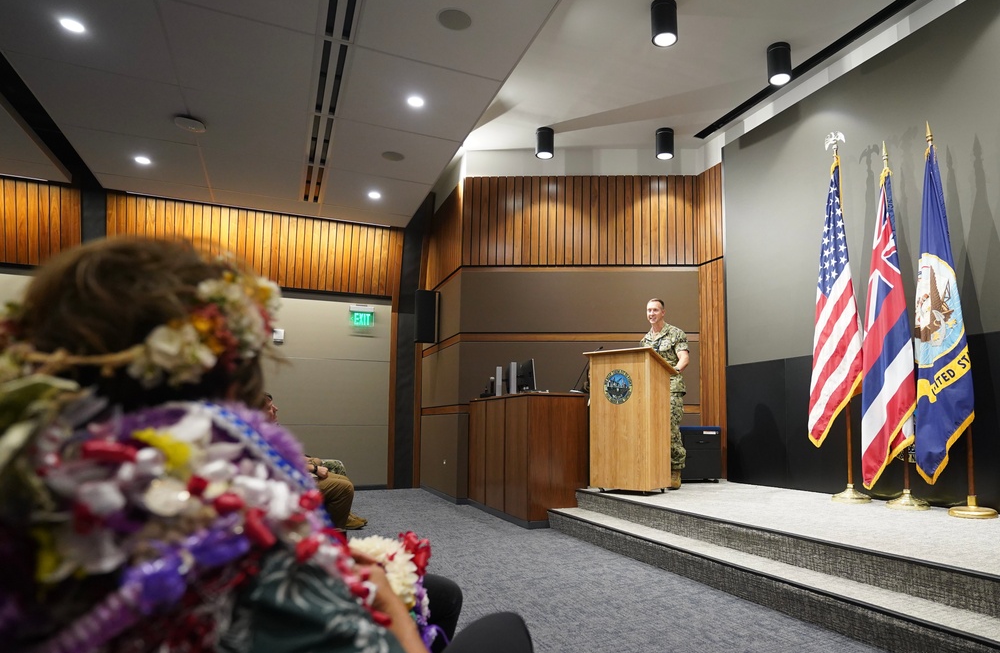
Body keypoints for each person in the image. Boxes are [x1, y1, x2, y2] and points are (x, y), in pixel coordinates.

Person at [0, 236, 532, 653]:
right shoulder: (229, 506)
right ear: (228, 364)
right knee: (505, 629)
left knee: (439, 592)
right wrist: (390, 604)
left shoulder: (36, 467)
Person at [264, 392, 367, 530]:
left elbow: (287, 453)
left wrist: (309, 461)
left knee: (341, 478)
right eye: (270, 407)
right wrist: (314, 468)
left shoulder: (270, 428)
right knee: (345, 488)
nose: (276, 409)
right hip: (282, 483)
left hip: (287, 475)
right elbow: (278, 461)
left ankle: (342, 515)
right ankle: (332, 532)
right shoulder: (260, 433)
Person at [639, 298, 690, 489]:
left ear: (663, 312)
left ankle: (675, 469)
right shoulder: (644, 340)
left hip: (671, 385)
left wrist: (675, 369)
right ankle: (655, 469)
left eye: (654, 310)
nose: (651, 313)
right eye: (648, 310)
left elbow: (684, 358)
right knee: (649, 427)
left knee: (669, 426)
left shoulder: (675, 333)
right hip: (650, 387)